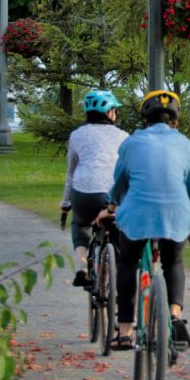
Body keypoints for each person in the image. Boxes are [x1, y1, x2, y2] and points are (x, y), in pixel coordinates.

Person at [101, 90, 190, 351]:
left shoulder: (132, 143)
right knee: (173, 261)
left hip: (137, 216)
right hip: (175, 214)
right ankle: (175, 313)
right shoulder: (186, 145)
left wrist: (110, 206)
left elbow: (120, 182)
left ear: (144, 119)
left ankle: (124, 331)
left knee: (128, 262)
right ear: (175, 121)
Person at [60, 90, 129, 287]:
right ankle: (114, 272)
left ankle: (82, 266)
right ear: (110, 113)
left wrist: (66, 203)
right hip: (113, 194)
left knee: (80, 225)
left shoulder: (76, 135)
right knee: (116, 227)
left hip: (84, 193)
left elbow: (71, 172)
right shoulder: (124, 136)